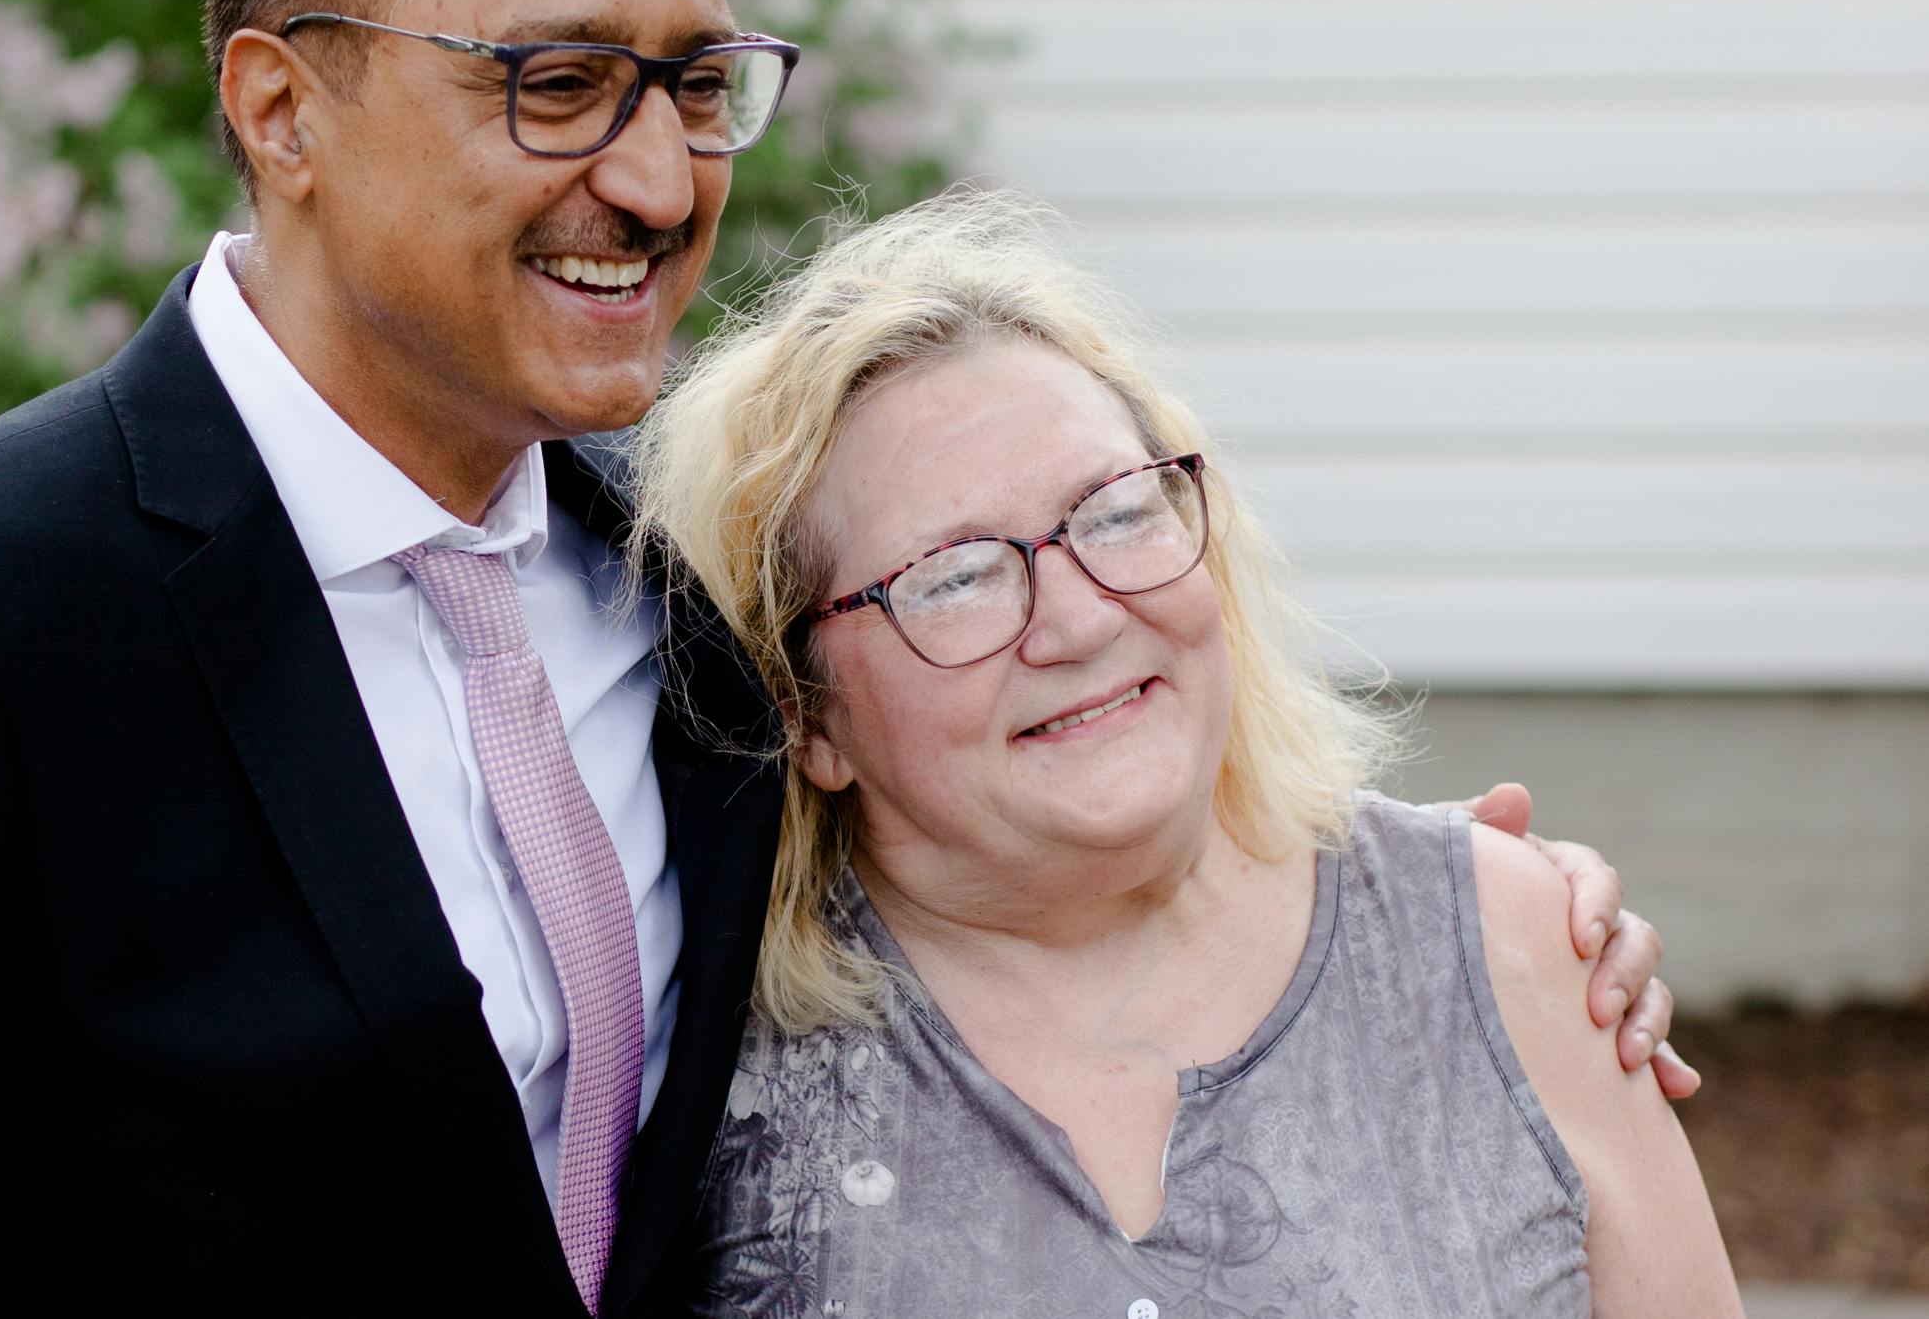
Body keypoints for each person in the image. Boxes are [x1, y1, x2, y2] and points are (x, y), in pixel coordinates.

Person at [0, 0, 1683, 1319]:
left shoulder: (695, 615)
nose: (655, 168)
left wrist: (1477, 939)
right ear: (279, 109)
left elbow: (1025, 864)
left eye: (695, 82)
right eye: (555, 81)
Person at [627, 191, 1741, 1317]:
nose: (1078, 620)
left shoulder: (1510, 948)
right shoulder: (698, 1070)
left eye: (1114, 512)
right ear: (803, 717)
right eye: (954, 575)